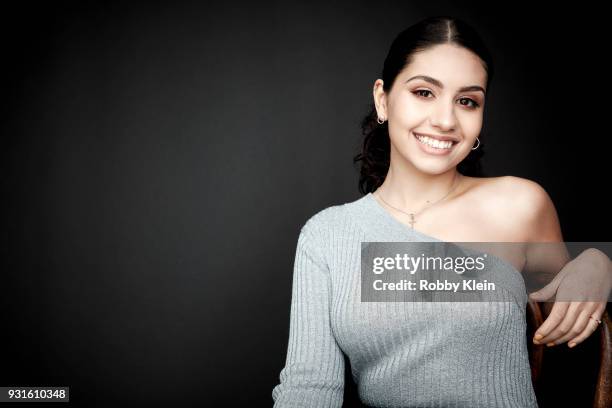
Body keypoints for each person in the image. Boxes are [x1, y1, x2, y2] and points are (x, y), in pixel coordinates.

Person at [271, 16, 609, 407]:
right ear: (383, 98)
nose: (446, 120)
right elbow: (309, 389)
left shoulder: (519, 205)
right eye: (424, 92)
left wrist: (599, 263)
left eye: (467, 101)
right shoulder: (327, 235)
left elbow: (568, 323)